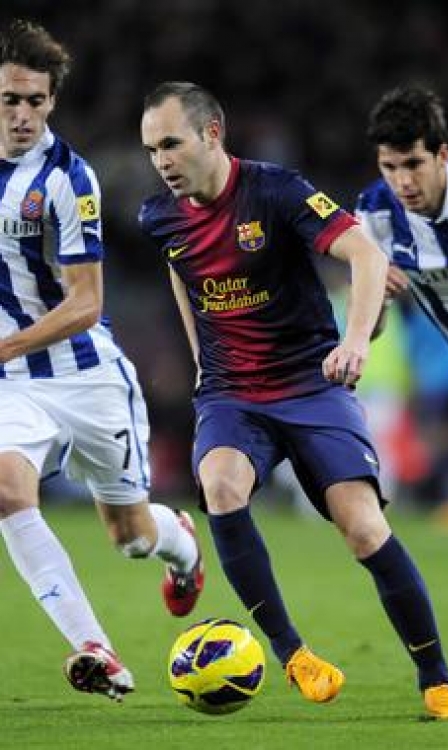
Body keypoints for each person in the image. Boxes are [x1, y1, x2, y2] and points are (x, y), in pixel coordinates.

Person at [138, 80, 448, 719]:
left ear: (212, 133)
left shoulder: (277, 190)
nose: (162, 161)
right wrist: (202, 362)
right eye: (152, 150)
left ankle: (438, 677)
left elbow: (365, 255)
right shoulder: (159, 216)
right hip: (233, 393)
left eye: (171, 144)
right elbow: (182, 274)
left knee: (363, 528)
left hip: (311, 384)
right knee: (221, 487)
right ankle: (293, 654)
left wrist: (356, 342)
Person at [0, 21, 204, 702]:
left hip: (86, 376)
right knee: (6, 492)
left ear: (52, 101)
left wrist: (3, 344)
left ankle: (181, 541)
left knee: (131, 538)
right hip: (13, 384)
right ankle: (97, 649)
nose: (22, 114)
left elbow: (87, 304)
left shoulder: (68, 179)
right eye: (9, 100)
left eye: (35, 101)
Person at [356, 84, 448, 520]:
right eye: (390, 167)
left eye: (414, 164)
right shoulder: (376, 215)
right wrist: (378, 294)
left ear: (442, 156)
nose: (403, 181)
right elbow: (372, 328)